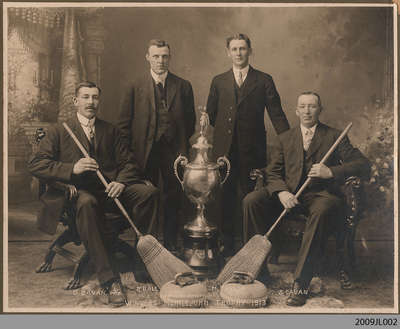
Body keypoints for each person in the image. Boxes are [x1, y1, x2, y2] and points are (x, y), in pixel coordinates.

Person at [28, 81, 159, 307]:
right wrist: (71, 169)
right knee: (87, 202)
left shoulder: (111, 130)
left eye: (95, 98)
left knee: (149, 193)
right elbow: (36, 164)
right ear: (75, 101)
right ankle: (110, 281)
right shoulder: (59, 131)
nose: (91, 102)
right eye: (86, 97)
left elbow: (129, 163)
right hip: (75, 194)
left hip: (109, 190)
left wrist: (120, 181)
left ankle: (142, 265)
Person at [242, 91, 370, 306]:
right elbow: (272, 172)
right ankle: (257, 270)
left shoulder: (335, 136)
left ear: (320, 110)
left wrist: (331, 171)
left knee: (320, 210)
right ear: (296, 110)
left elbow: (363, 165)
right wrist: (281, 192)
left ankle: (301, 284)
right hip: (289, 193)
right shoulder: (285, 138)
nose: (307, 111)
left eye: (312, 106)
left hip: (322, 195)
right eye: (303, 106)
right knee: (251, 200)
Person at [206, 33, 290, 256]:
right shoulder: (218, 81)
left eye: (242, 49)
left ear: (249, 51)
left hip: (252, 151)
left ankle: (249, 247)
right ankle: (225, 244)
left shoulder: (263, 80)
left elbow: (277, 115)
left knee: (249, 196)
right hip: (223, 151)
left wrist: (291, 144)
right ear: (228, 52)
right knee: (223, 196)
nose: (238, 53)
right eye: (234, 49)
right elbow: (212, 116)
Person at [117, 39, 195, 253]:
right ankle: (145, 246)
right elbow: (123, 126)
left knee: (174, 197)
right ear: (147, 57)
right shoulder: (135, 86)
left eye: (164, 56)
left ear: (169, 58)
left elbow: (190, 123)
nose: (160, 61)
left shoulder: (183, 86)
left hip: (174, 152)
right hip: (143, 152)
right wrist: (130, 155)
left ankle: (171, 243)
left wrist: (177, 144)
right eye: (156, 56)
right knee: (145, 197)